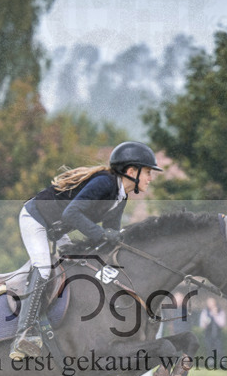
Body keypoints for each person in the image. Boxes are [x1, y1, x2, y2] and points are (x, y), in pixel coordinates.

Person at [10, 141, 162, 360]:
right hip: (35, 218)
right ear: (131, 172)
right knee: (44, 269)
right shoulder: (104, 184)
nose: (150, 178)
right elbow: (71, 214)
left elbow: (111, 235)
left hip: (56, 227)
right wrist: (102, 235)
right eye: (148, 172)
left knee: (76, 267)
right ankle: (24, 333)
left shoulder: (120, 197)